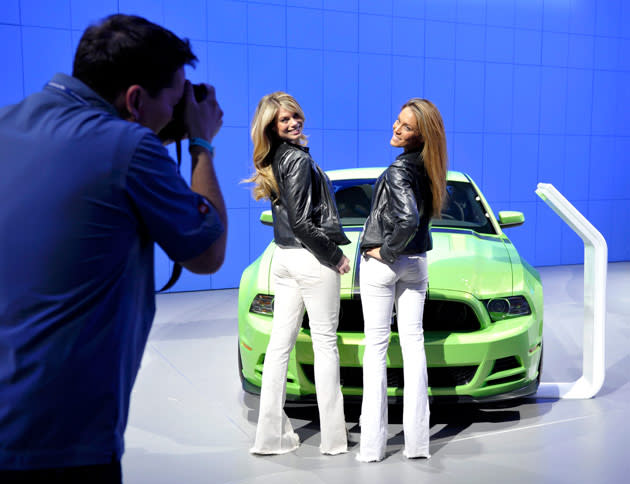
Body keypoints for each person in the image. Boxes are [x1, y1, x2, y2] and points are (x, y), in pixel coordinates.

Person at [0, 14, 227, 482]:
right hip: (58, 438)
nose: (177, 112)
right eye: (173, 99)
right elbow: (206, 255)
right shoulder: (129, 147)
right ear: (135, 99)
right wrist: (201, 143)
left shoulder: (9, 123)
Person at [246, 92, 351, 455]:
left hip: (285, 259)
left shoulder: (274, 158)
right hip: (310, 259)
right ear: (272, 127)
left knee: (279, 347)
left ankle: (269, 438)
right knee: (325, 346)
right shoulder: (297, 160)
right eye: (283, 120)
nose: (293, 123)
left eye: (295, 116)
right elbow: (304, 223)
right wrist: (336, 256)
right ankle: (335, 440)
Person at [357, 98, 448, 462]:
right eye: (398, 121)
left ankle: (372, 448)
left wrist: (386, 250)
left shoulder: (398, 170)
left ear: (420, 134)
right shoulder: (432, 167)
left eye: (406, 126)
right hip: (417, 265)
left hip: (386, 265)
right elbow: (417, 221)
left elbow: (407, 219)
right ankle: (417, 446)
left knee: (376, 351)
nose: (396, 128)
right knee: (414, 348)